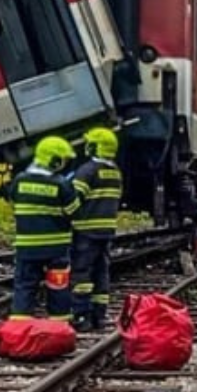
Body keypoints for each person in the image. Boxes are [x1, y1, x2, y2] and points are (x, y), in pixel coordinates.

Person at [7, 136, 80, 321]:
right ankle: (60, 325)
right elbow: (73, 211)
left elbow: (13, 202)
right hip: (56, 249)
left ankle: (19, 327)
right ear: (54, 160)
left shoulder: (19, 181)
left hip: (27, 247)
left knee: (24, 286)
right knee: (58, 288)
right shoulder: (61, 184)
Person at [69, 127, 122, 331]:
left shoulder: (87, 171)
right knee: (101, 272)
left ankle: (81, 315)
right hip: (106, 230)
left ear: (95, 147)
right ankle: (99, 315)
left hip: (85, 230)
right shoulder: (115, 172)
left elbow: (74, 199)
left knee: (81, 272)